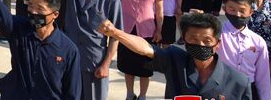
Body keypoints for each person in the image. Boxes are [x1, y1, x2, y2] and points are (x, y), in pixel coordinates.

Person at [24, 0, 122, 100]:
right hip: (67, 58)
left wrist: (106, 64)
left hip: (94, 62)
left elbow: (116, 37)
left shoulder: (111, 1)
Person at [97, 13, 252, 99]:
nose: (200, 45)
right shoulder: (175, 60)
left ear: (217, 43)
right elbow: (146, 49)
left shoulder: (239, 82)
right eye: (193, 40)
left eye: (207, 41)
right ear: (184, 40)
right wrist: (115, 33)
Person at [0, 0, 82, 99]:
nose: (33, 12)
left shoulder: (68, 50)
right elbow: (1, 15)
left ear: (55, 14)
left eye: (40, 8)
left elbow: (72, 91)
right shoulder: (18, 29)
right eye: (31, 5)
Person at [95, 0, 164, 100]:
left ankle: (143, 95)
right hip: (126, 29)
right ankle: (130, 93)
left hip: (147, 30)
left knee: (145, 67)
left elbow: (159, 10)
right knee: (128, 66)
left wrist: (159, 30)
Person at [212, 0, 271, 100]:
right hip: (223, 88)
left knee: (270, 89)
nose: (238, 14)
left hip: (263, 57)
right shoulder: (217, 34)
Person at [216, 0, 271, 100]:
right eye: (232, 9)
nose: (237, 14)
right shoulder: (215, 35)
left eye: (242, 10)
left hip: (248, 90)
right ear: (224, 9)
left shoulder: (258, 41)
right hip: (221, 89)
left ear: (251, 12)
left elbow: (263, 77)